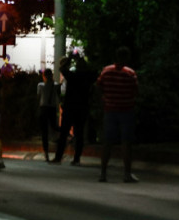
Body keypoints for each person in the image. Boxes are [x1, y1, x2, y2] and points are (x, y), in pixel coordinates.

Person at [97, 46, 139, 183]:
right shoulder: (130, 73)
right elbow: (135, 91)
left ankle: (103, 173)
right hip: (126, 110)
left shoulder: (106, 71)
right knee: (126, 142)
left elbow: (99, 86)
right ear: (126, 58)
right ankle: (127, 173)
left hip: (110, 110)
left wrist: (104, 99)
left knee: (107, 142)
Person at [53, 54, 97, 165]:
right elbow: (95, 72)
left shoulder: (73, 76)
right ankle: (76, 158)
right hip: (82, 108)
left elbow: (62, 68)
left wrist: (69, 58)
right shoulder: (88, 77)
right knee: (79, 133)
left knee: (64, 133)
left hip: (70, 107)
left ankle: (58, 157)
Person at [37, 68, 60, 162]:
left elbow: (38, 96)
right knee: (54, 127)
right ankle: (60, 141)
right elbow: (59, 95)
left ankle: (46, 153)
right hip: (52, 108)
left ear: (44, 76)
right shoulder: (56, 85)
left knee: (44, 131)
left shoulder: (40, 85)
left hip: (43, 108)